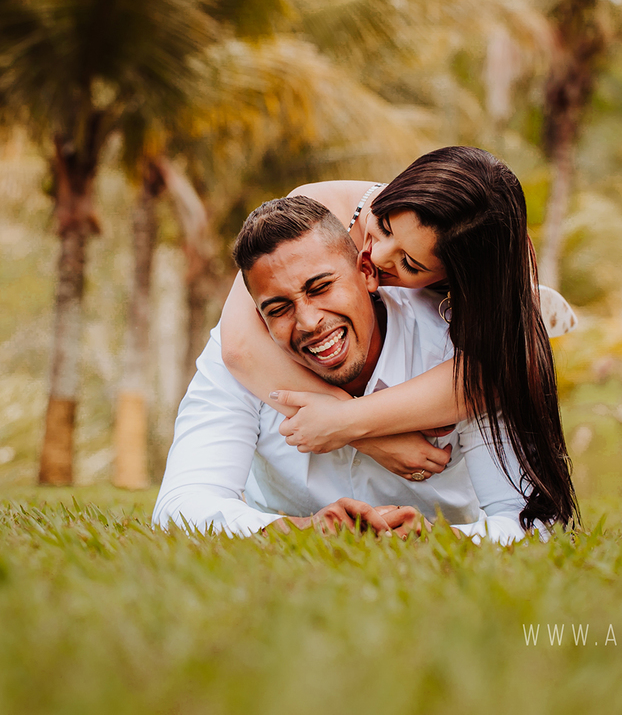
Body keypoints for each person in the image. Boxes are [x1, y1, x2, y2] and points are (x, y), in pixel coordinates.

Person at [219, 146, 578, 529]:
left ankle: (534, 308)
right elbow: (239, 346)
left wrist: (348, 421)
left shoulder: (469, 285)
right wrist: (366, 436)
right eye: (385, 225)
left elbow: (482, 381)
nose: (376, 254)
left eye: (409, 263)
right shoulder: (319, 206)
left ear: (448, 279)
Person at [152, 195, 530, 541]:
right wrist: (300, 530)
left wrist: (437, 537)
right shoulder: (238, 355)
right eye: (278, 308)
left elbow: (536, 521)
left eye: (320, 287)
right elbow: (178, 506)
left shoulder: (457, 347)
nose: (309, 322)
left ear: (366, 272)